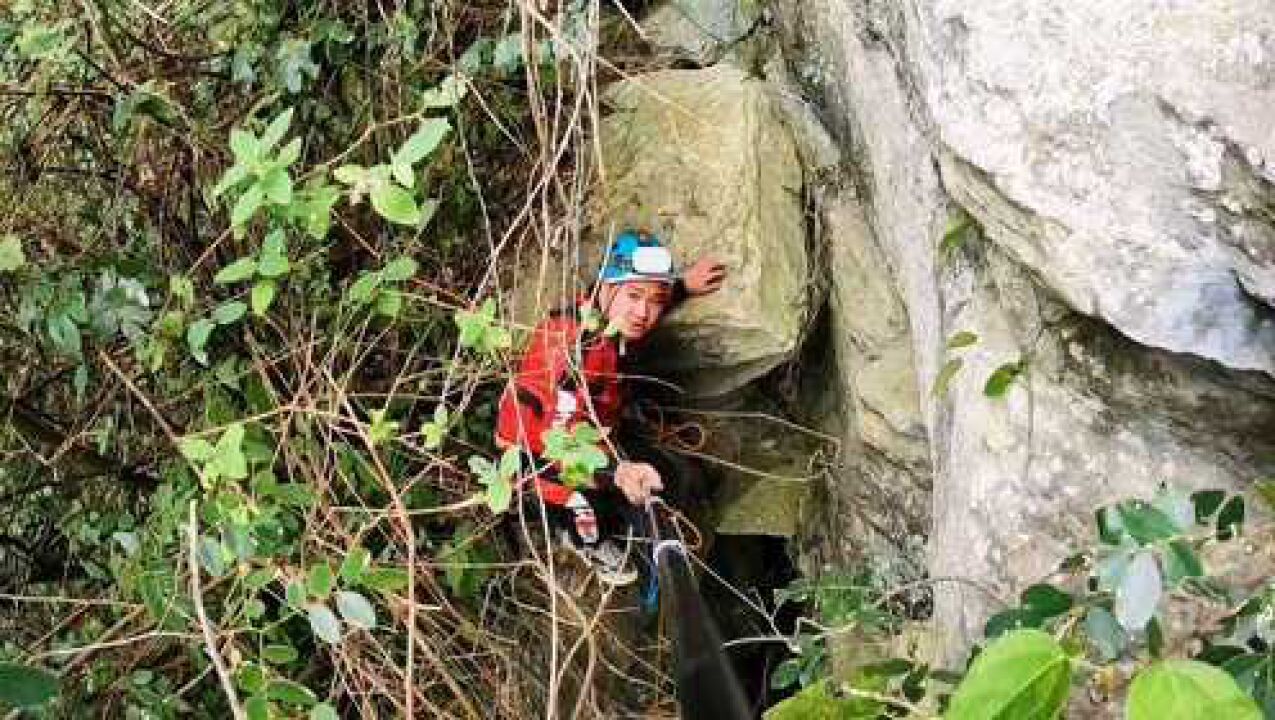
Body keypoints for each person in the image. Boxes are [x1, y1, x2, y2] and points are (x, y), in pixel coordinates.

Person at [495, 229, 726, 584]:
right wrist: (617, 473)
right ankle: (586, 542)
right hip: (535, 459)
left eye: (656, 301)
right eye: (635, 296)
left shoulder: (603, 316)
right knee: (584, 505)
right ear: (605, 285)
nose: (644, 313)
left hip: (591, 427)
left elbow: (642, 302)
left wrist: (682, 286)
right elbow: (562, 445)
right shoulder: (571, 355)